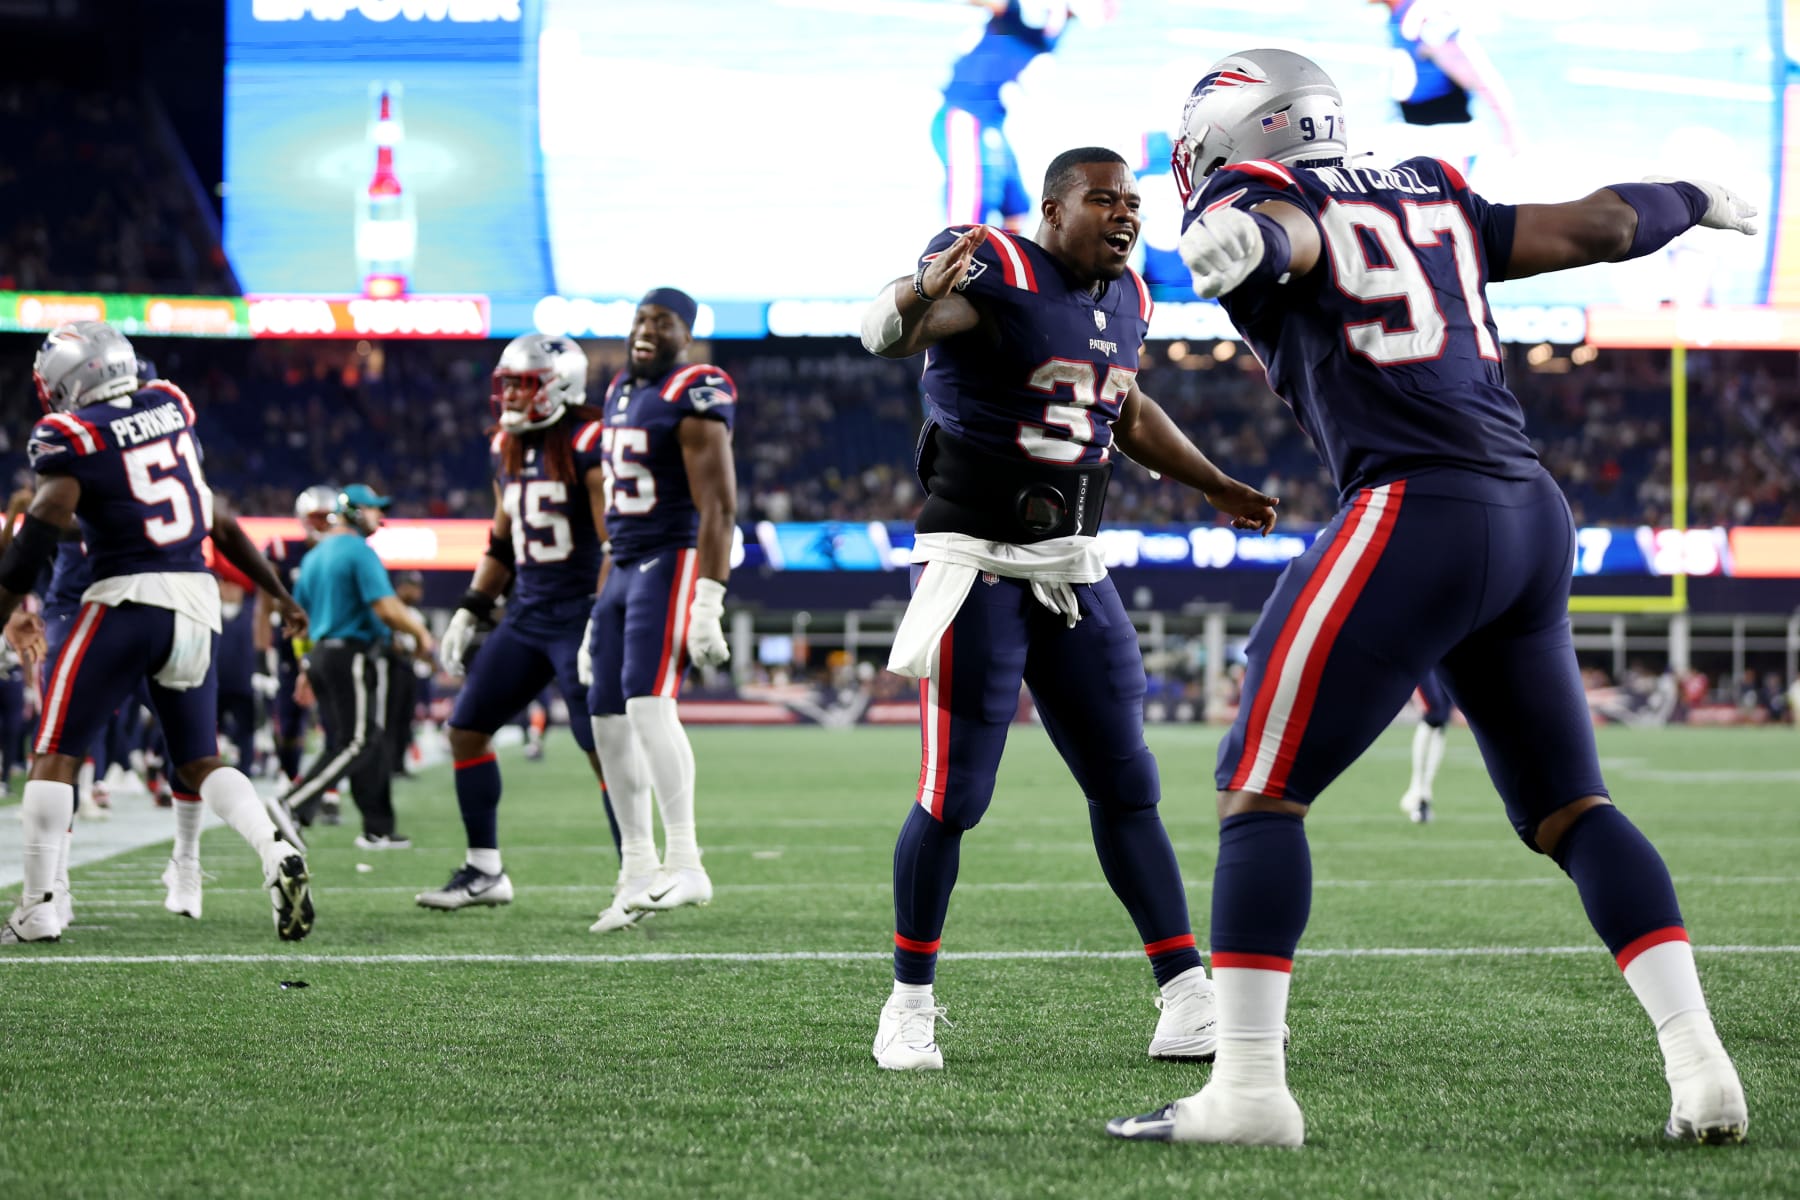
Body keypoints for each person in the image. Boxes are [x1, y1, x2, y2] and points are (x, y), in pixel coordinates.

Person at [1107, 49, 1755, 1146]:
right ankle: (1703, 1070)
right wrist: (1691, 200)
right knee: (1571, 810)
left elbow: (1291, 234)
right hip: (1529, 511)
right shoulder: (1429, 186)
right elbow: (1595, 227)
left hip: (1415, 509)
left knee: (1259, 788)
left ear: (1232, 135)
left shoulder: (1252, 194)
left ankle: (1252, 1093)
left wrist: (1254, 238)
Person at [858, 146, 1279, 1070]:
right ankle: (909, 1003)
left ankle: (1184, 993)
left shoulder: (1130, 297)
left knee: (1129, 783)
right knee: (954, 794)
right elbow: (892, 334)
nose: (1126, 214)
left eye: (1133, 201)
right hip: (975, 562)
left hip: (1074, 567)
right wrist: (912, 291)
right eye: (1104, 199)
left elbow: (1124, 411)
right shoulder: (1000, 267)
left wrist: (1213, 483)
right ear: (1053, 211)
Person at [3, 320, 313, 942]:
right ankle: (272, 846)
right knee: (200, 759)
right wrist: (278, 594)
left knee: (54, 757)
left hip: (121, 599)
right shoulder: (170, 408)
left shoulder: (69, 437)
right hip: (195, 602)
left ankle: (38, 906)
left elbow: (41, 526)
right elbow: (219, 521)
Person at [420, 334, 618, 912]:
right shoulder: (505, 444)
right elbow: (501, 544)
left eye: (522, 383)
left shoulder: (589, 443)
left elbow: (614, 547)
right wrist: (471, 607)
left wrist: (601, 619)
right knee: (466, 729)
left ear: (559, 384)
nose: (509, 394)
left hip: (579, 612)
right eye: (505, 383)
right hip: (527, 615)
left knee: (601, 747)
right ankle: (485, 870)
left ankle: (637, 870)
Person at [581, 288, 738, 931]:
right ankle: (637, 869)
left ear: (686, 335)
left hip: (669, 562)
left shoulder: (695, 388)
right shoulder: (619, 387)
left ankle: (687, 862)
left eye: (663, 322)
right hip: (622, 566)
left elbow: (720, 506)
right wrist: (598, 603)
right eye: (642, 319)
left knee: (649, 707)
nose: (648, 330)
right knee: (606, 721)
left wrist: (708, 599)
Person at [283, 485, 433, 851]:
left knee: (362, 739)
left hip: (322, 654)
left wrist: (305, 664)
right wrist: (421, 633)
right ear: (351, 510)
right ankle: (293, 805)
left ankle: (377, 827)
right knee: (359, 740)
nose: (378, 518)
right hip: (349, 654)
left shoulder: (316, 555)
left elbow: (297, 619)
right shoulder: (357, 551)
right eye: (372, 510)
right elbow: (385, 607)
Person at [1368, 0, 1523, 174]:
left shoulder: (1426, 17)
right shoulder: (1400, 14)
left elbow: (1477, 75)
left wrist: (1508, 127)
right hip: (1418, 131)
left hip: (1445, 137)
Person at [259, 485, 337, 798]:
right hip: (290, 643)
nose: (318, 524)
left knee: (334, 714)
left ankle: (330, 784)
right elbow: (264, 606)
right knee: (290, 714)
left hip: (329, 640)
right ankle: (288, 772)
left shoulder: (337, 552)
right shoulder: (281, 551)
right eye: (313, 517)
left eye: (325, 517)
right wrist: (259, 654)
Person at [386, 569, 428, 777]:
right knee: (391, 717)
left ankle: (398, 764)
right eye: (413, 587)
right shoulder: (390, 608)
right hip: (392, 667)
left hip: (409, 665)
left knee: (405, 717)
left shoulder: (415, 614)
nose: (417, 592)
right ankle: (386, 764)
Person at [1400, 668, 1452, 823]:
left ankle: (1424, 794)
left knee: (1441, 719)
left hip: (1448, 654)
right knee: (1433, 713)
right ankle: (1416, 787)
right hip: (1425, 656)